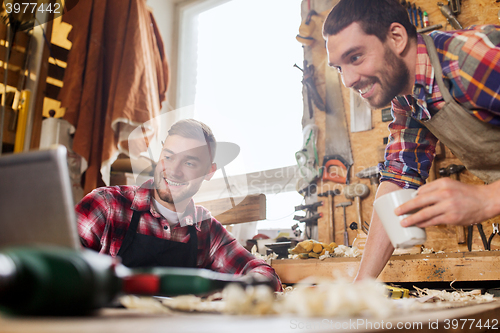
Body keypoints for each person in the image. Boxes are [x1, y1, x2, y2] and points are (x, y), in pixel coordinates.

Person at [323, 0, 500, 280]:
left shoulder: (469, 58)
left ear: (396, 37)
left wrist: (489, 198)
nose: (348, 80)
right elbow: (398, 179)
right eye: (339, 67)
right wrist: (361, 288)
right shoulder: (407, 99)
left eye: (355, 57)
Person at [76, 119, 282, 291]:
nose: (173, 171)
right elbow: (57, 263)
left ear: (209, 172)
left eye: (189, 163)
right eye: (168, 157)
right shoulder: (107, 205)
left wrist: (234, 290)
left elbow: (263, 274)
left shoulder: (206, 230)